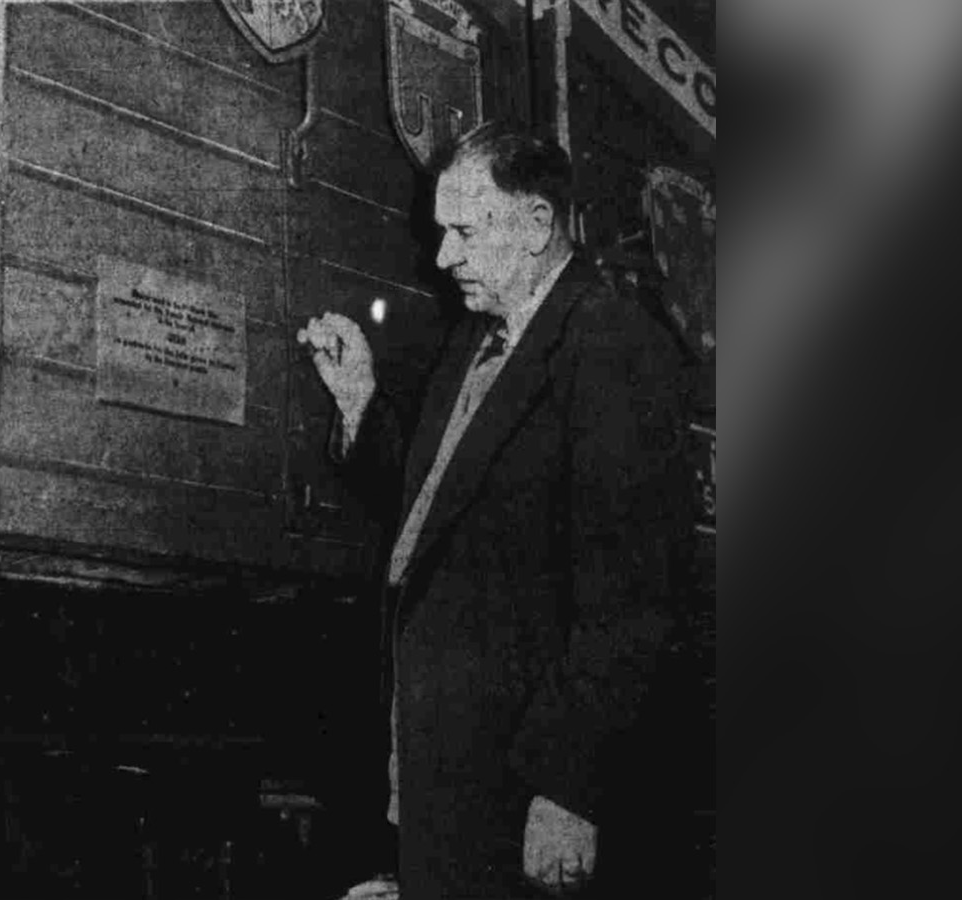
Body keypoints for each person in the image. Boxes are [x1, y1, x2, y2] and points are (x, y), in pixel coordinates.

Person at [298, 123, 700, 898]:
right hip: (449, 779)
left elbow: (634, 600)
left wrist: (570, 784)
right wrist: (359, 403)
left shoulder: (611, 343)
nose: (445, 256)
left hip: (526, 793)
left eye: (466, 231)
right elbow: (443, 520)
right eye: (443, 232)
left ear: (538, 224)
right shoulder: (474, 344)